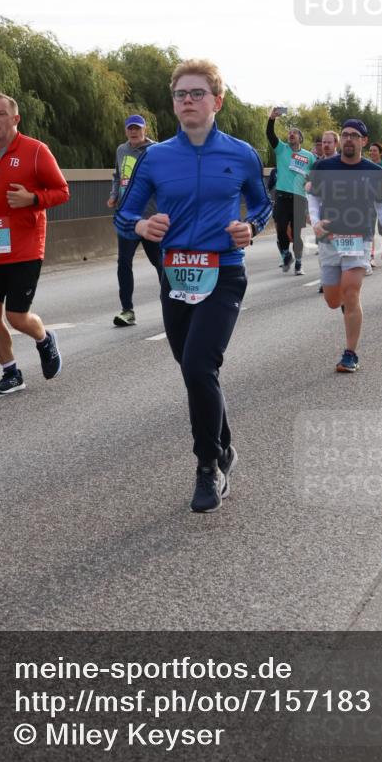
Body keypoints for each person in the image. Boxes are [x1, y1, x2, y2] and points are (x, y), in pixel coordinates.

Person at [115, 59, 272, 513]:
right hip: (176, 274)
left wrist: (251, 226)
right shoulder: (156, 157)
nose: (188, 100)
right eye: (181, 94)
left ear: (216, 101)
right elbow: (123, 215)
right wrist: (143, 224)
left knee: (201, 364)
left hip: (223, 271)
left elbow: (263, 205)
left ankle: (208, 467)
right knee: (192, 368)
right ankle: (223, 445)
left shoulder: (241, 153)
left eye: (197, 93)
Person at [0, 91, 70, 394]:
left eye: (0, 114)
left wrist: (32, 198)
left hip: (24, 248)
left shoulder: (36, 151)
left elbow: (62, 191)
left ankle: (44, 339)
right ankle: (11, 372)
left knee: (16, 316)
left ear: (15, 118)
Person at [307, 119, 382, 373]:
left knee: (351, 291)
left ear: (363, 141)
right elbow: (312, 197)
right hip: (329, 238)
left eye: (354, 135)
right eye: (345, 135)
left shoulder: (374, 171)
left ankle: (350, 353)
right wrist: (315, 222)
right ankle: (348, 307)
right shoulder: (323, 167)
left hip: (359, 236)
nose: (348, 139)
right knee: (333, 300)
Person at [107, 115, 161, 327]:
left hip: (150, 217)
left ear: (145, 130)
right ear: (126, 131)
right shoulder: (122, 150)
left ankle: (171, 303)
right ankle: (127, 311)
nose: (133, 132)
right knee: (123, 263)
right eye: (130, 128)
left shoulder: (156, 151)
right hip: (127, 218)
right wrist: (114, 195)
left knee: (160, 264)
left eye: (137, 128)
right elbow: (117, 176)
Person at [266, 108, 316, 276]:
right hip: (281, 196)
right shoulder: (282, 149)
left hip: (299, 198)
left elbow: (315, 174)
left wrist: (311, 182)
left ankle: (299, 263)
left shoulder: (308, 156)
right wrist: (272, 119)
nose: (291, 134)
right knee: (280, 230)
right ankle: (286, 255)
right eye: (290, 133)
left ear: (300, 138)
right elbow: (270, 135)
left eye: (295, 133)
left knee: (296, 233)